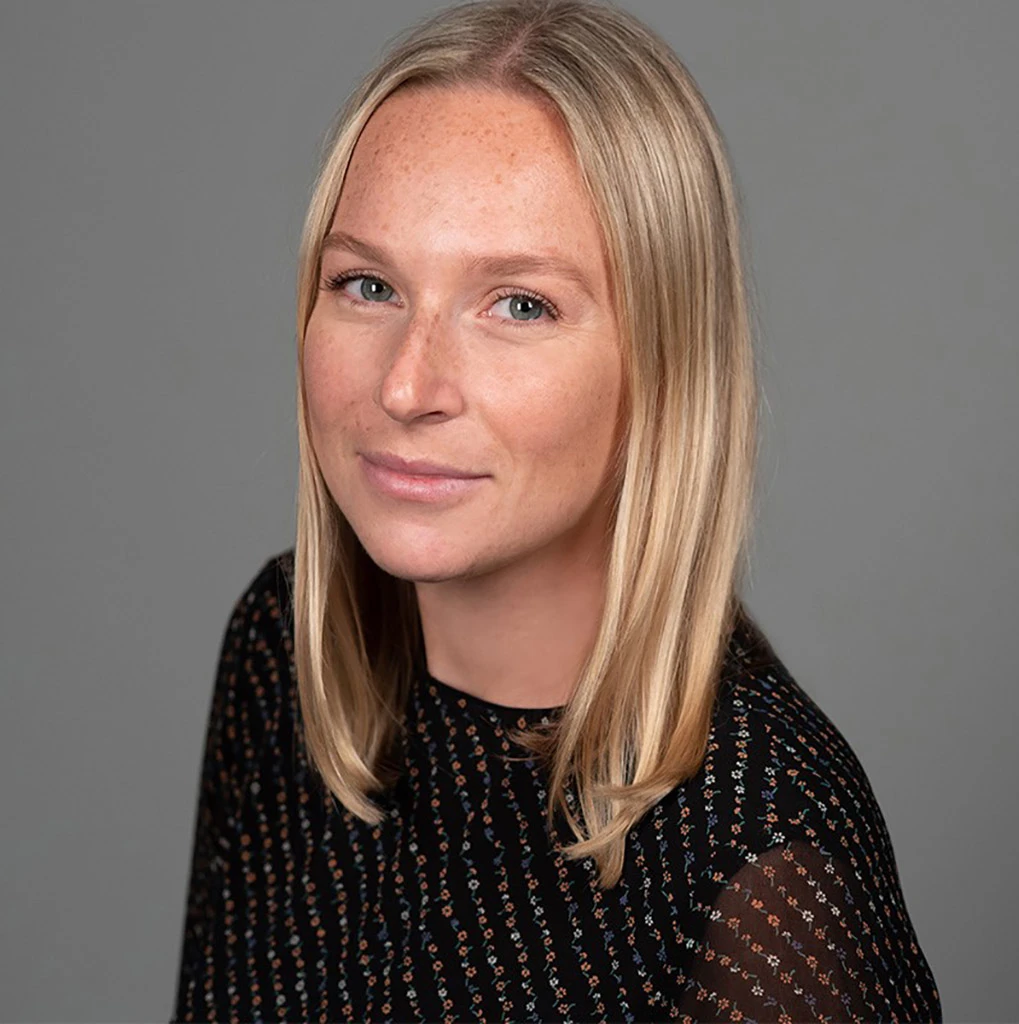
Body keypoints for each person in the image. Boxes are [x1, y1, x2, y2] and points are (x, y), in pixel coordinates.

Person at [171, 1, 942, 1021]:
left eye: (519, 304)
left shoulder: (764, 855)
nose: (406, 386)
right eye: (368, 284)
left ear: (664, 365)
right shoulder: (290, 643)